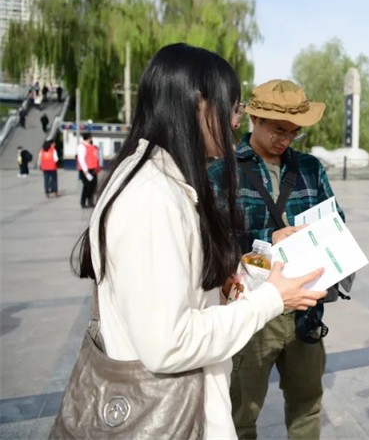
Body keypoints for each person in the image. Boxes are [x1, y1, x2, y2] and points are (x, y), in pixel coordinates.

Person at [64, 43, 327, 438]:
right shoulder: (153, 196)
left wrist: (227, 278)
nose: (234, 122)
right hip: (165, 410)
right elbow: (170, 343)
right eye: (232, 108)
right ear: (199, 103)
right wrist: (271, 298)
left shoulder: (152, 177)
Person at [208, 79, 347, 440]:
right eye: (278, 130)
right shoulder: (222, 172)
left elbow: (337, 221)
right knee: (239, 413)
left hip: (305, 308)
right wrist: (267, 241)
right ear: (254, 119)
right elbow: (210, 243)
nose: (286, 139)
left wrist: (319, 234)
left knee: (307, 405)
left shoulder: (310, 168)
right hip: (252, 310)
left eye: (294, 132)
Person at [77, 132, 100, 208]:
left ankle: (90, 202)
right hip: (86, 170)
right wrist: (85, 169)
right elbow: (81, 159)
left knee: (93, 186)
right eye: (90, 137)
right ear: (88, 138)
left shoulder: (92, 146)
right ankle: (83, 202)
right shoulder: (81, 146)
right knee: (86, 186)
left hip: (93, 169)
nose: (91, 139)